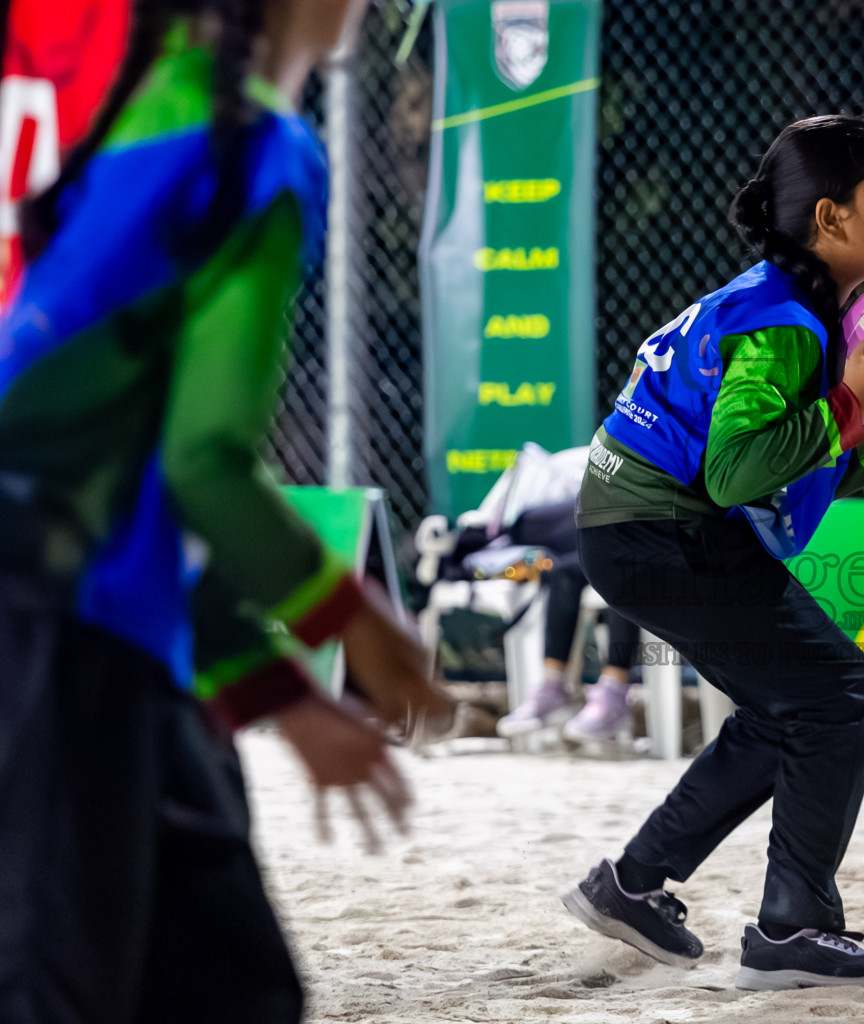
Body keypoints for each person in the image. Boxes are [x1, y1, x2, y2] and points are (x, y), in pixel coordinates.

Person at [0, 0, 443, 1019]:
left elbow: (135, 488)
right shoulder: (259, 150)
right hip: (51, 639)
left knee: (232, 983)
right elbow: (201, 464)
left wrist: (275, 690)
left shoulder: (138, 115)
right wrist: (355, 622)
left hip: (111, 633)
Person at [562, 113, 864, 990]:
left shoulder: (790, 303)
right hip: (663, 530)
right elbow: (738, 470)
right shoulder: (784, 327)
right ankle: (794, 927)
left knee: (789, 709)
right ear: (831, 220)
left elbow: (781, 454)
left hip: (633, 527)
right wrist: (854, 399)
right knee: (839, 697)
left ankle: (631, 886)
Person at [495, 497, 644, 744]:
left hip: (660, 537)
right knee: (564, 571)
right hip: (618, 528)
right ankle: (553, 688)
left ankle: (615, 692)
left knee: (622, 563)